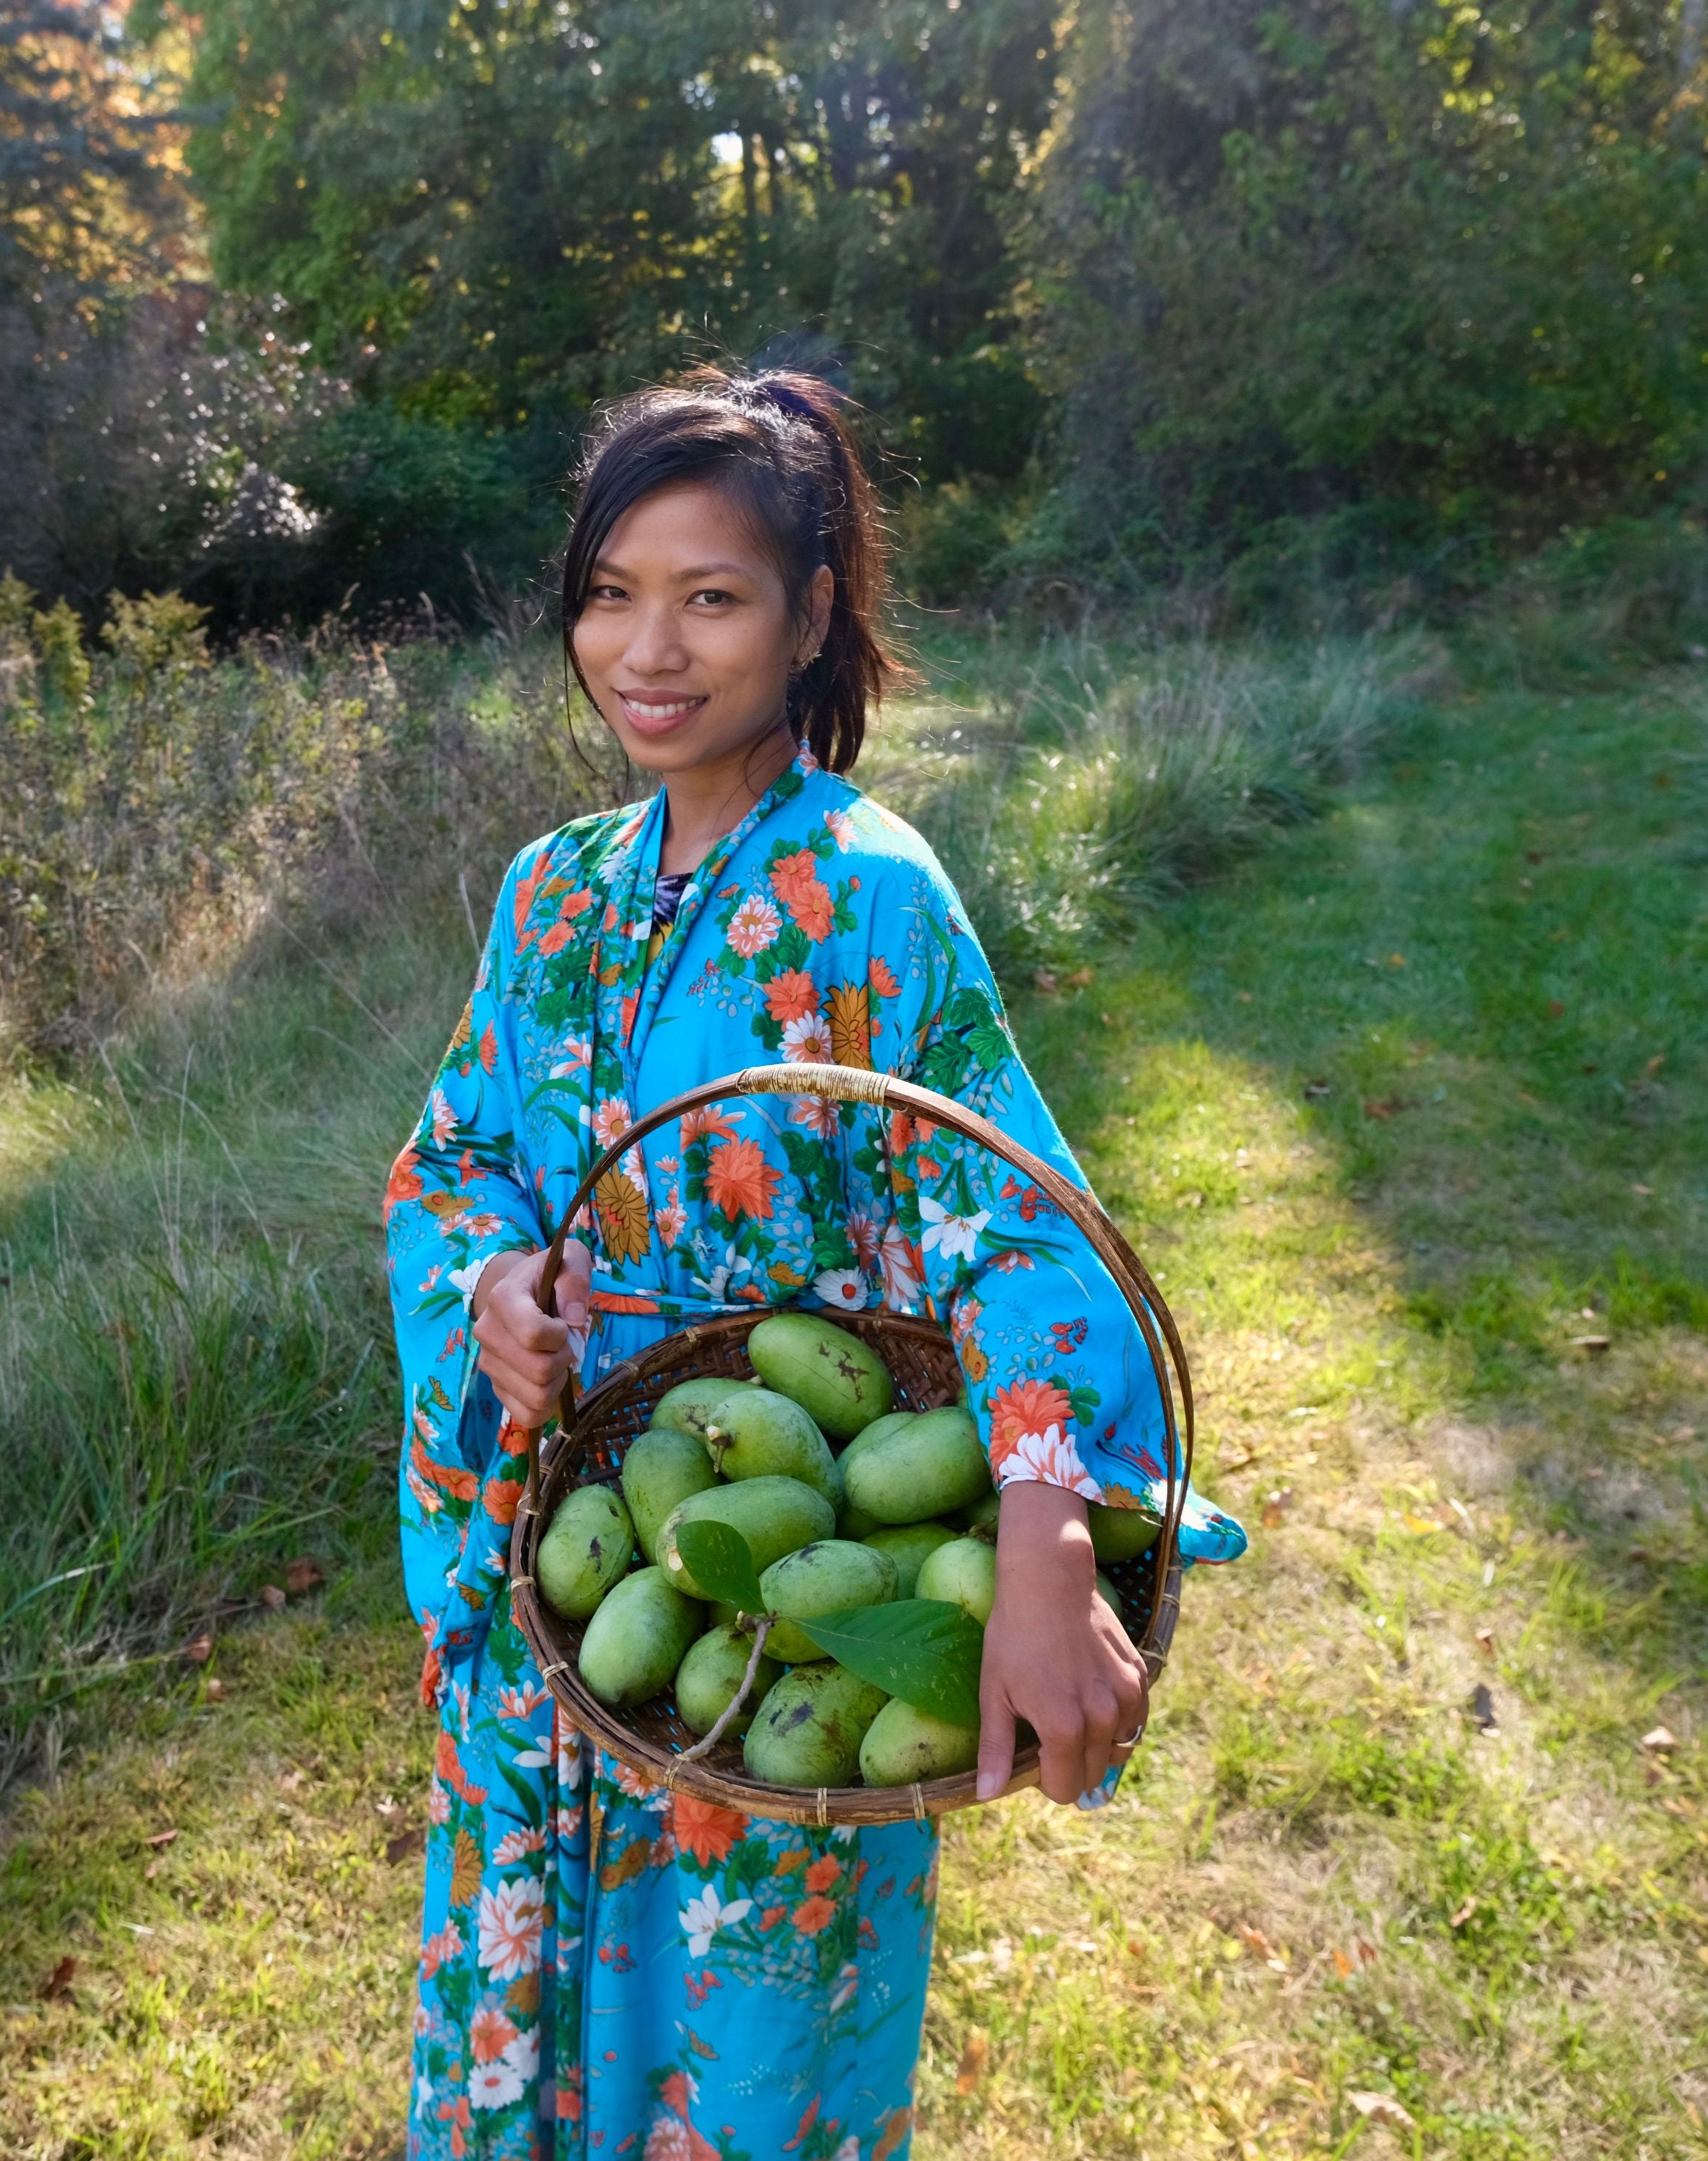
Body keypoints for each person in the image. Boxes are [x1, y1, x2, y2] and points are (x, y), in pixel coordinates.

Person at [384, 368, 1245, 2160]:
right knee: (521, 2041)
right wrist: (485, 1287)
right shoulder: (550, 889)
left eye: (710, 595)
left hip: (763, 1612)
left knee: (747, 2045)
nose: (648, 645)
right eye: (612, 589)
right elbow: (451, 1150)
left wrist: (1040, 1520)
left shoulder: (869, 892)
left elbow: (1006, 1222)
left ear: (809, 615)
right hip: (549, 1601)